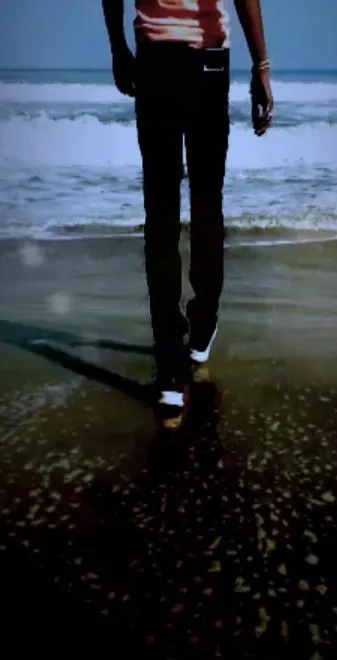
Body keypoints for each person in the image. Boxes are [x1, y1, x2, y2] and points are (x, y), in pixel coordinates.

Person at [102, 0, 273, 428]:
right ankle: (200, 329)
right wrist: (261, 67)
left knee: (160, 213)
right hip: (208, 59)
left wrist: (118, 49)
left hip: (155, 56)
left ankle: (170, 370)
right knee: (206, 204)